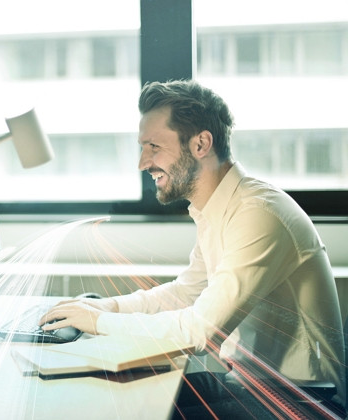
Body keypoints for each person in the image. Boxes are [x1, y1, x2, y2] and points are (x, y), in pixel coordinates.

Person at [40, 80, 345, 418]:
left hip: (302, 403)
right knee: (118, 394)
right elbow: (186, 293)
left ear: (201, 144)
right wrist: (108, 307)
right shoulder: (218, 208)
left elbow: (200, 331)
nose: (143, 163)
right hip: (253, 386)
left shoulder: (258, 214)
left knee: (129, 408)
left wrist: (98, 321)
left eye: (154, 146)